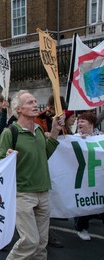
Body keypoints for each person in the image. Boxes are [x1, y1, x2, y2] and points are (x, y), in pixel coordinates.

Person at [0, 90, 63, 260]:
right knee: (30, 242)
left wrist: (54, 131)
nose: (35, 105)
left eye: (35, 101)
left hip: (43, 191)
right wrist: (7, 156)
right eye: (30, 102)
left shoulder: (39, 130)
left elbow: (44, 154)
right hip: (23, 193)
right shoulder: (10, 132)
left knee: (41, 245)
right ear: (18, 109)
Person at [34, 95, 67, 248]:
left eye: (55, 109)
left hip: (56, 165)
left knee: (48, 202)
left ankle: (43, 236)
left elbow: (66, 138)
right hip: (42, 165)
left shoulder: (61, 121)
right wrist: (47, 134)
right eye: (51, 107)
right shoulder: (37, 120)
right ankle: (41, 236)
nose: (51, 110)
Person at [73, 111, 104, 241]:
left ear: (91, 124)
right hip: (84, 179)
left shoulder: (101, 137)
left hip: (99, 178)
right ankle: (81, 228)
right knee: (83, 204)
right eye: (78, 121)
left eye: (82, 121)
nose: (79, 123)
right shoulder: (74, 137)